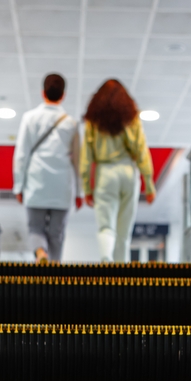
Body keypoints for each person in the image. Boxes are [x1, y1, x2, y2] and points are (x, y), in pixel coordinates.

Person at [79, 79, 155, 263]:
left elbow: (86, 156)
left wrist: (87, 188)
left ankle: (106, 261)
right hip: (129, 171)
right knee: (124, 232)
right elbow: (141, 149)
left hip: (105, 173)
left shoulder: (93, 121)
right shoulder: (131, 117)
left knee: (106, 227)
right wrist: (149, 184)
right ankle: (123, 273)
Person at [13, 73, 81, 262]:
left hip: (36, 182)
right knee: (57, 233)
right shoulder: (71, 123)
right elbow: (78, 161)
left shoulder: (29, 118)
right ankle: (54, 268)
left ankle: (40, 252)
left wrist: (18, 186)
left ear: (43, 93)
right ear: (63, 95)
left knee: (35, 228)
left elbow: (21, 155)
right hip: (62, 186)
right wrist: (80, 192)